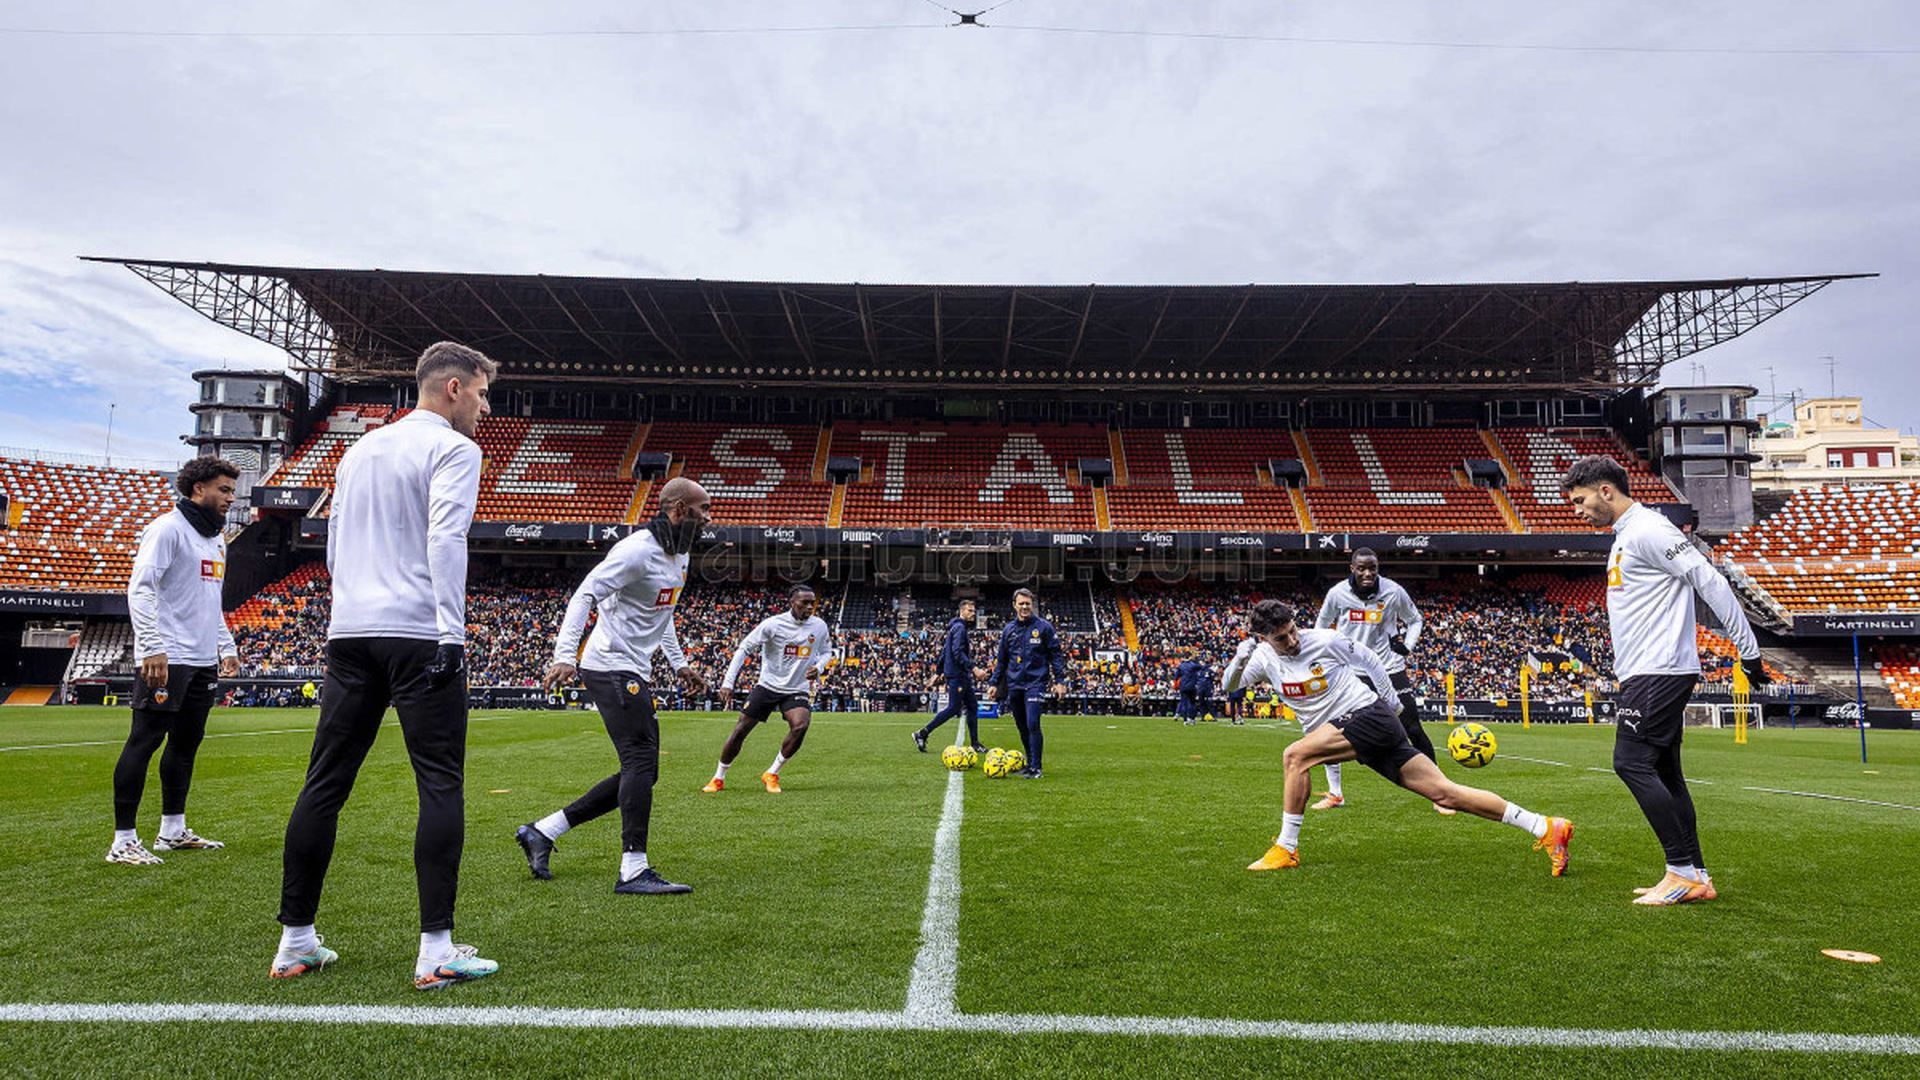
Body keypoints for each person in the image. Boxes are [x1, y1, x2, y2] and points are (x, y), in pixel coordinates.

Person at [273, 342, 498, 990]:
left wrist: (349, 611)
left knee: (324, 783)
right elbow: (445, 535)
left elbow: (336, 544)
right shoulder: (455, 449)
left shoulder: (359, 450)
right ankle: (435, 951)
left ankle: (296, 941)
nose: (485, 409)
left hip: (350, 631)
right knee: (439, 783)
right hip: (419, 632)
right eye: (481, 394)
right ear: (452, 388)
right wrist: (451, 633)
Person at [1226, 600, 1573, 874]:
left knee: (1295, 756)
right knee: (1445, 794)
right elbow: (1230, 686)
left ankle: (1286, 848)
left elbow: (1370, 658)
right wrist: (1239, 662)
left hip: (1368, 716)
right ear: (1263, 639)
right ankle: (1545, 827)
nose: (1291, 640)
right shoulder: (1262, 659)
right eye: (1281, 638)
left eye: (1292, 631)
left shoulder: (1325, 640)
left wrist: (1391, 702)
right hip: (1356, 731)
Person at [1562, 455, 1767, 905]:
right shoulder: (1628, 535)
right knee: (1666, 772)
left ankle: (1679, 871)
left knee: (1630, 762)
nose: (1578, 510)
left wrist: (1748, 652)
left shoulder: (1650, 530)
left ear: (1606, 491)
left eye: (1580, 501)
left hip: (1659, 669)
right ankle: (1696, 875)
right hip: (1649, 669)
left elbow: (1710, 581)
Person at [516, 477, 712, 893]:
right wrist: (565, 655)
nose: (709, 518)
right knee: (641, 760)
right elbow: (585, 594)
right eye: (703, 510)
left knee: (642, 769)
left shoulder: (679, 553)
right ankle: (633, 869)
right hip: (608, 665)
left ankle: (543, 831)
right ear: (678, 510)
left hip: (633, 667)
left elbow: (664, 612)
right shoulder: (636, 551)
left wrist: (679, 665)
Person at [110, 456, 244, 865]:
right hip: (167, 657)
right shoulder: (167, 529)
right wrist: (151, 646)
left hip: (202, 659)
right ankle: (123, 841)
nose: (230, 498)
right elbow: (142, 588)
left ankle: (171, 830)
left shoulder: (216, 539)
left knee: (186, 745)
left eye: (232, 491)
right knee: (144, 741)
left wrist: (227, 646)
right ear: (197, 489)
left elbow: (210, 600)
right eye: (223, 489)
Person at [1315, 549, 1450, 813]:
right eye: (1362, 568)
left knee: (1412, 727)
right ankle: (1335, 794)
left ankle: (1441, 793)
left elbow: (1415, 620)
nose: (1368, 573)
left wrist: (1407, 646)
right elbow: (1322, 626)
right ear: (1352, 568)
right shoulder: (1337, 594)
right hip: (1351, 671)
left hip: (1389, 668)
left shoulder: (1393, 591)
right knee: (1329, 729)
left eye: (1373, 568)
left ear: (1378, 568)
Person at [704, 584, 835, 793]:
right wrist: (728, 682)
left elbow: (828, 651)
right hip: (768, 685)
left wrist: (819, 667)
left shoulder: (819, 626)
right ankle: (718, 777)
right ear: (792, 602)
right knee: (741, 730)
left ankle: (772, 773)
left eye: (812, 602)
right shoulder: (773, 625)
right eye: (805, 603)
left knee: (801, 725)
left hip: (796, 688)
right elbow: (744, 648)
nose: (810, 607)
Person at [986, 588, 1067, 779]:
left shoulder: (1044, 628)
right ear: (1014, 605)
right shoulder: (1008, 630)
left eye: (1027, 604)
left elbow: (1055, 656)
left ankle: (1037, 767)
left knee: (1032, 723)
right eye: (1021, 603)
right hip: (1014, 684)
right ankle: (1030, 763)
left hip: (1035, 683)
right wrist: (994, 683)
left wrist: (1060, 681)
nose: (1024, 607)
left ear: (1032, 605)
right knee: (1022, 726)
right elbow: (1002, 660)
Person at [913, 599, 989, 753]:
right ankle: (922, 733)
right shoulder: (959, 628)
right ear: (961, 611)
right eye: (969, 610)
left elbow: (944, 652)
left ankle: (975, 743)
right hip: (958, 675)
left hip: (960, 675)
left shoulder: (955, 627)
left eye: (974, 611)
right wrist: (974, 668)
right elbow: (957, 652)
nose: (972, 613)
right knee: (954, 708)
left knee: (973, 706)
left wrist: (938, 673)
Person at [1174, 652, 1204, 725]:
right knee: (1192, 703)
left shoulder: (1181, 666)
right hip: (1192, 686)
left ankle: (1185, 720)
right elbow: (1201, 666)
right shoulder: (1193, 665)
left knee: (1184, 703)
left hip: (1183, 686)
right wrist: (1195, 659)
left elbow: (1176, 677)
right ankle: (1192, 719)